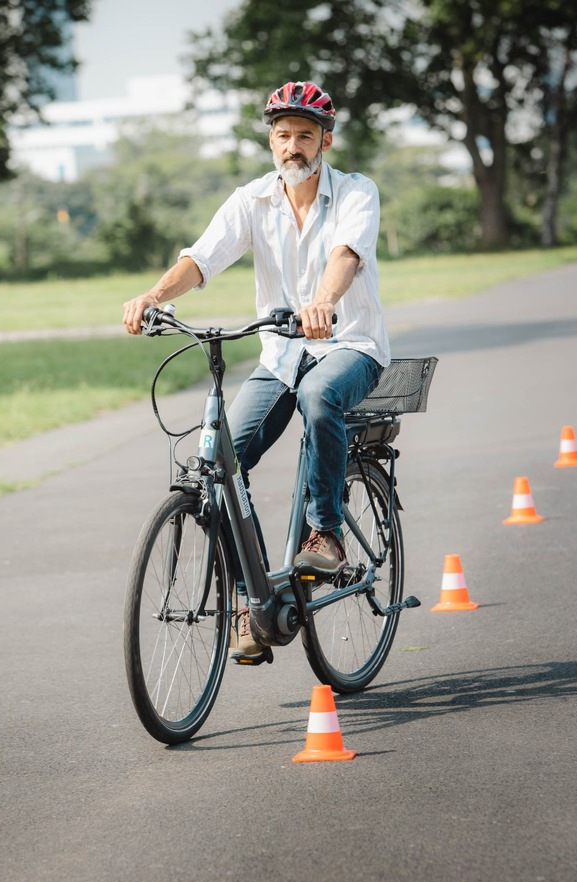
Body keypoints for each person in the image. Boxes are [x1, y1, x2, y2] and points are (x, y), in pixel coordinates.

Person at [123, 80, 391, 662]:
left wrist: (323, 300)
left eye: (304, 135)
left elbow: (346, 254)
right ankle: (252, 600)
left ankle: (326, 534)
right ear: (270, 141)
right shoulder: (253, 200)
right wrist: (155, 295)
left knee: (321, 395)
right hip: (280, 356)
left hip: (348, 345)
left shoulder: (355, 192)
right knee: (217, 461)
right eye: (281, 135)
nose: (292, 146)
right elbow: (202, 257)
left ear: (325, 139)